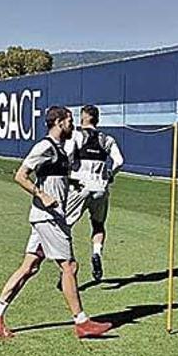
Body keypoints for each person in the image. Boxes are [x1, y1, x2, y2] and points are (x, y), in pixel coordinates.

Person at [0, 106, 112, 339]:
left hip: (49, 216)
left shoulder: (61, 149)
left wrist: (73, 184)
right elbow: (20, 175)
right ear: (59, 122)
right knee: (69, 267)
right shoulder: (44, 146)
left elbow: (54, 177)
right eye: (70, 121)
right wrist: (42, 195)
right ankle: (81, 322)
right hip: (48, 217)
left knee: (29, 267)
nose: (74, 125)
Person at [64, 104, 124, 282]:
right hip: (100, 187)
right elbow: (119, 161)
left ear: (83, 117)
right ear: (97, 119)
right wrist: (110, 175)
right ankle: (96, 253)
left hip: (79, 186)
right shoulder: (106, 139)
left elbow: (67, 156)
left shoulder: (76, 135)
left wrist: (66, 175)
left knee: (65, 226)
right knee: (98, 225)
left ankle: (67, 266)